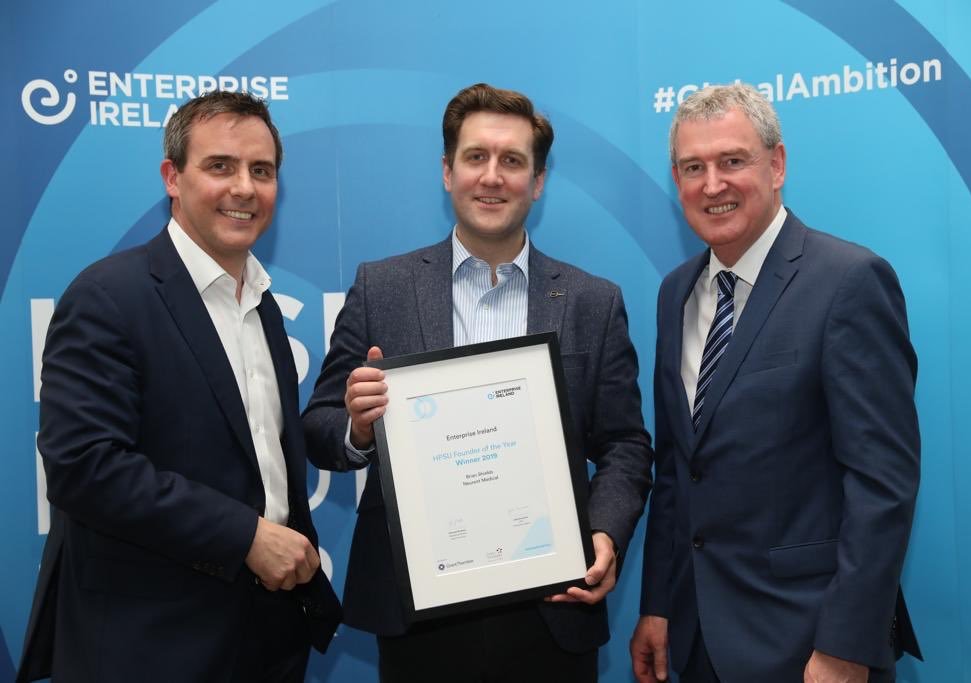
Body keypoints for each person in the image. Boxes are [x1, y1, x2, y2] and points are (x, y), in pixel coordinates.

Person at [303, 82, 653, 682]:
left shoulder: (592, 301)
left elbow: (625, 445)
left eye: (512, 160)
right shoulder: (381, 288)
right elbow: (319, 427)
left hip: (553, 606)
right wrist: (358, 428)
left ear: (537, 181)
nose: (492, 177)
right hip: (419, 616)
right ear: (448, 171)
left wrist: (604, 533)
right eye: (475, 157)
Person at [17, 90, 341, 683]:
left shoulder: (262, 306)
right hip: (153, 645)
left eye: (262, 171)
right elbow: (83, 466)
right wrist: (244, 536)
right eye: (220, 166)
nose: (244, 188)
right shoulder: (108, 297)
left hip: (268, 639)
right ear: (173, 177)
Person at [630, 83, 921, 683]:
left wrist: (846, 644)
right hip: (697, 638)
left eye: (732, 160)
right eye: (693, 167)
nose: (713, 184)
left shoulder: (849, 281)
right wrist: (658, 604)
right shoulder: (674, 293)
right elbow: (677, 471)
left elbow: (882, 485)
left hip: (809, 642)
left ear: (777, 164)